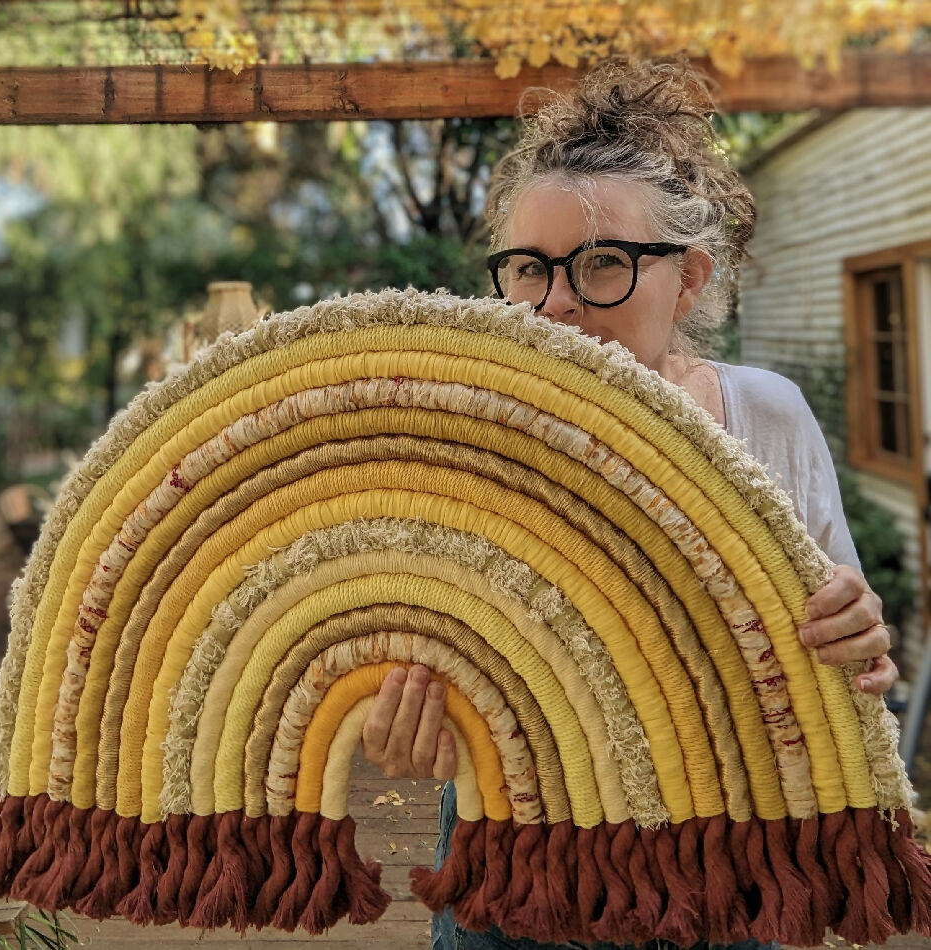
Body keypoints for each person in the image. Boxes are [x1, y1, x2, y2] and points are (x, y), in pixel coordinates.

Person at [360, 57, 898, 950]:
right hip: (513, 869)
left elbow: (845, 651)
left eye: (603, 262)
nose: (557, 303)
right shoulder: (465, 438)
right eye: (529, 269)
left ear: (687, 277)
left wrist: (858, 636)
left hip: (728, 870)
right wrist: (406, 719)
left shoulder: (764, 417)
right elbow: (418, 652)